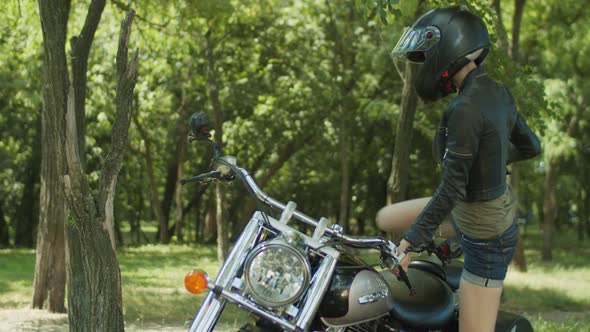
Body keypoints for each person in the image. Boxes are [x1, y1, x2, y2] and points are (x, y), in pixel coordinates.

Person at [386, 6, 541, 332]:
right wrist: (494, 161)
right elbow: (531, 147)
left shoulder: (465, 108)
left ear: (448, 50)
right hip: (484, 218)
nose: (425, 66)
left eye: (426, 56)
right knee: (387, 219)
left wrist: (410, 242)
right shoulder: (499, 93)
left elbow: (453, 187)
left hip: (487, 239)